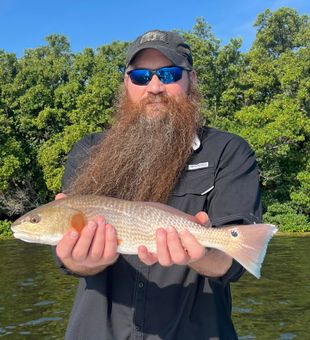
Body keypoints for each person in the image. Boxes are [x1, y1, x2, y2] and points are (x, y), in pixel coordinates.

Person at [55, 29, 262, 340]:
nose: (154, 87)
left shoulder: (228, 151)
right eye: (140, 76)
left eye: (169, 73)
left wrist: (199, 253)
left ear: (191, 80)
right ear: (126, 84)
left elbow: (233, 260)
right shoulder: (87, 152)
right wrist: (76, 261)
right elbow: (66, 253)